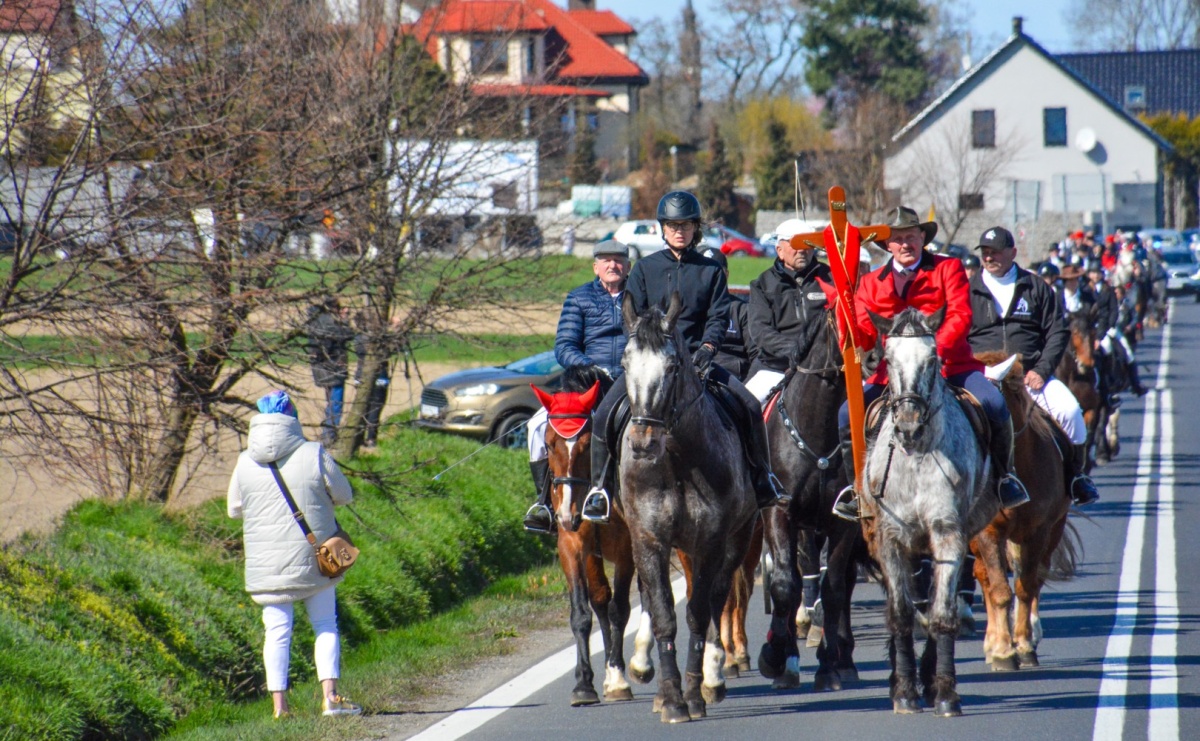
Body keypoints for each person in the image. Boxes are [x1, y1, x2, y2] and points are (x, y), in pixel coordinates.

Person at [581, 190, 784, 523]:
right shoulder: (644, 269)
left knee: (748, 405)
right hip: (652, 363)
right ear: (663, 228)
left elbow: (718, 316)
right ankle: (599, 489)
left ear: (695, 229)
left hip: (696, 361)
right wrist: (644, 352)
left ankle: (763, 480)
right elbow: (632, 316)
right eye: (674, 225)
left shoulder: (710, 270)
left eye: (686, 225)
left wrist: (708, 348)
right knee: (604, 414)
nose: (680, 231)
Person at [832, 208, 1029, 522]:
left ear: (922, 237)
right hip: (895, 375)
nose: (905, 244)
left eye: (911, 236)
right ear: (888, 246)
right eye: (898, 239)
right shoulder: (870, 283)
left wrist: (933, 353)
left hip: (950, 365)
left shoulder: (947, 268)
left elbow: (960, 315)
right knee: (846, 415)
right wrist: (844, 312)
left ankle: (1006, 478)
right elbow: (865, 336)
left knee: (994, 403)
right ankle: (856, 490)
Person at [226, 390, 362, 719]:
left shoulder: (245, 461)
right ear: (292, 418)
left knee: (276, 633)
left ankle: (280, 708)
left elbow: (233, 509)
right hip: (313, 559)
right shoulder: (313, 453)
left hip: (266, 564)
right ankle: (331, 698)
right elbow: (344, 494)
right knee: (325, 624)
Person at [966, 226, 1099, 506]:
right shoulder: (967, 289)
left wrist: (1041, 370)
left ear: (1012, 253)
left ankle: (1076, 476)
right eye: (985, 252)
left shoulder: (1036, 287)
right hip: (981, 376)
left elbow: (1058, 332)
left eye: (995, 252)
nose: (989, 258)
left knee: (1071, 412)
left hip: (1028, 375)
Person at [522, 239, 630, 534]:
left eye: (618, 260)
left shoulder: (640, 297)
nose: (612, 265)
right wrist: (589, 367)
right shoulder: (579, 297)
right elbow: (564, 346)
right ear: (595, 267)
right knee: (536, 426)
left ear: (628, 266)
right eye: (606, 260)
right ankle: (544, 503)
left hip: (628, 383)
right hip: (585, 385)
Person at [744, 218, 835, 402]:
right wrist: (796, 349)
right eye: (795, 244)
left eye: (806, 244)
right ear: (780, 250)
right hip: (774, 368)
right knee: (744, 405)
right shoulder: (762, 284)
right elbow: (760, 331)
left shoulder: (831, 279)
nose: (802, 250)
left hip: (824, 366)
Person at [306, 298, 355, 446]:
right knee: (336, 403)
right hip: (334, 368)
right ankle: (329, 435)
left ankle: (327, 432)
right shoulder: (329, 322)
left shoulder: (314, 321)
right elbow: (347, 334)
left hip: (320, 368)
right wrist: (345, 320)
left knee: (330, 402)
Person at [702, 246, 755, 381]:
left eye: (716, 271)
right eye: (703, 271)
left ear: (726, 275)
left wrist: (748, 386)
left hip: (732, 379)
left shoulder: (742, 310)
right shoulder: (686, 309)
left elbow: (757, 355)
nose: (710, 277)